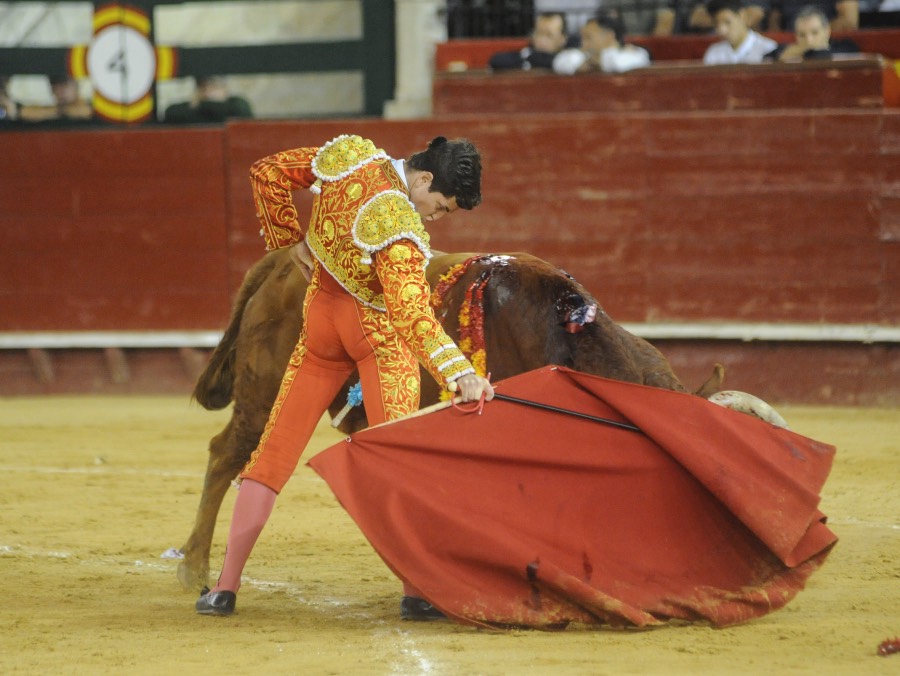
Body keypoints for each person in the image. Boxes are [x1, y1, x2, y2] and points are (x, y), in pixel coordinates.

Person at [194, 134, 495, 620]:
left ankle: (224, 590)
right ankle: (416, 592)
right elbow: (410, 314)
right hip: (375, 338)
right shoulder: (396, 224)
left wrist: (288, 245)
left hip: (321, 325)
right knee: (401, 460)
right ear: (422, 179)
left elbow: (267, 172)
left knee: (271, 456)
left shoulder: (350, 157)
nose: (435, 218)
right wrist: (459, 372)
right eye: (439, 206)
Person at [553, 13, 651, 74]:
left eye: (588, 37)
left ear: (609, 36)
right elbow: (559, 62)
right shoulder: (583, 56)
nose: (583, 43)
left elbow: (618, 63)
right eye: (582, 37)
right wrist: (584, 63)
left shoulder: (636, 54)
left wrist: (596, 61)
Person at [765, 5, 861, 60]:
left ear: (827, 31)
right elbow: (767, 59)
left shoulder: (846, 46)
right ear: (795, 35)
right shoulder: (782, 50)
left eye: (815, 32)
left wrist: (808, 51)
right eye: (802, 35)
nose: (809, 40)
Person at [703, 0, 779, 64]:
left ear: (742, 15)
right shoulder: (714, 52)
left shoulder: (768, 49)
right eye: (716, 24)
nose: (721, 30)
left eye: (727, 22)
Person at [488, 12, 571, 70]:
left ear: (563, 39)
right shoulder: (526, 54)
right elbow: (496, 60)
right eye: (539, 33)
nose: (542, 40)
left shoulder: (570, 59)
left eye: (549, 35)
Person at [163, 76, 253, 123]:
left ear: (225, 90)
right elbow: (171, 112)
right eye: (203, 87)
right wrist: (196, 106)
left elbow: (242, 110)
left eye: (213, 87)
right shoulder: (195, 110)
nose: (207, 92)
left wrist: (202, 104)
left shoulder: (235, 106)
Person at [768, 0, 859, 30]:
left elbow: (849, 22)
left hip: (832, 43)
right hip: (789, 43)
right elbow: (774, 21)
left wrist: (815, 33)